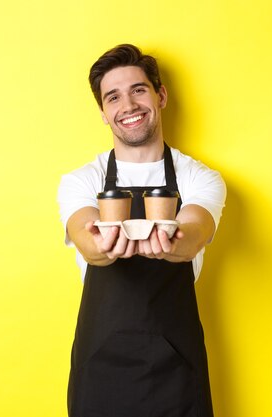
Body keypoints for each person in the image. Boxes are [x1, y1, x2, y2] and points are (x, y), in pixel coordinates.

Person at [57, 44, 226, 417]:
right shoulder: (82, 180)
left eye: (138, 89)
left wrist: (172, 240)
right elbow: (89, 245)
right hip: (100, 365)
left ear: (160, 95)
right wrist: (102, 245)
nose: (128, 105)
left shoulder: (198, 178)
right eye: (113, 97)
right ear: (104, 113)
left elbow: (194, 231)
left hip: (176, 369)